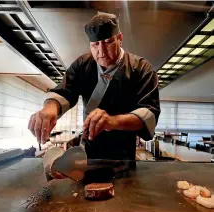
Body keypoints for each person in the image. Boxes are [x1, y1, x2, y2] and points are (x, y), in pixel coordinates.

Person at [28, 11, 160, 161]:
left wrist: (112, 122)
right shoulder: (82, 64)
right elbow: (64, 91)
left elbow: (149, 113)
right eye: (95, 44)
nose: (101, 51)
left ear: (120, 39)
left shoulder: (141, 68)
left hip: (123, 154)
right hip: (88, 149)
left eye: (108, 42)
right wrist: (49, 108)